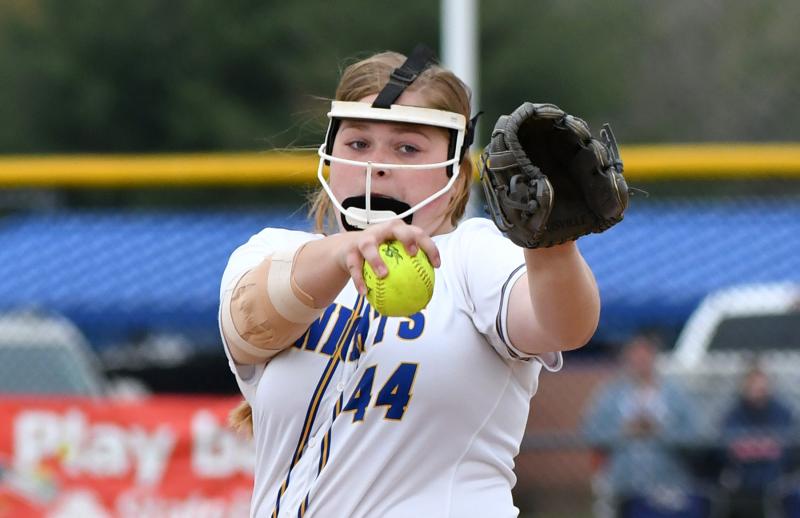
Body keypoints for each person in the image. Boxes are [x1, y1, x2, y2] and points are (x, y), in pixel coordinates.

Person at [218, 45, 603, 518]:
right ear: (330, 156)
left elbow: (564, 326)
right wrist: (345, 251)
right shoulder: (274, 254)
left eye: (408, 147)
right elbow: (249, 324)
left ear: (456, 176)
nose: (378, 164)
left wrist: (554, 247)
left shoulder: (471, 256)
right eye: (358, 143)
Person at [582, 333, 703, 517]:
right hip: (624, 485)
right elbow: (591, 432)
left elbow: (694, 435)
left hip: (669, 484)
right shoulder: (611, 394)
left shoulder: (675, 394)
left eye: (645, 355)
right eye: (635, 356)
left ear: (654, 357)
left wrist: (660, 430)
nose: (640, 361)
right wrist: (625, 430)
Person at [719, 365, 796, 518]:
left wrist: (752, 447)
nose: (756, 389)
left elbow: (784, 449)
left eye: (760, 384)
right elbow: (729, 449)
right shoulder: (735, 412)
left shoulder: (781, 411)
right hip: (744, 479)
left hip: (776, 477)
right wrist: (762, 447)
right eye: (752, 384)